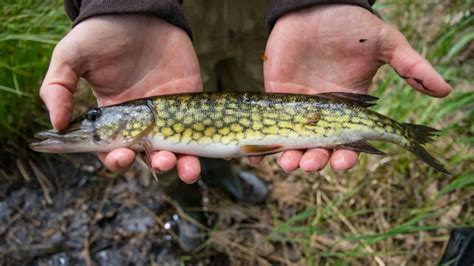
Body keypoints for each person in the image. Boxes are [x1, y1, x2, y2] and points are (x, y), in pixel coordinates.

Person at [40, 0, 451, 184]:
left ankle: (229, 182)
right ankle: (198, 200)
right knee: (164, 163)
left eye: (94, 120)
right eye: (95, 120)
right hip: (166, 27)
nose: (90, 123)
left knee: (259, 103)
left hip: (278, 29)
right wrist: (120, 5)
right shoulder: (146, 111)